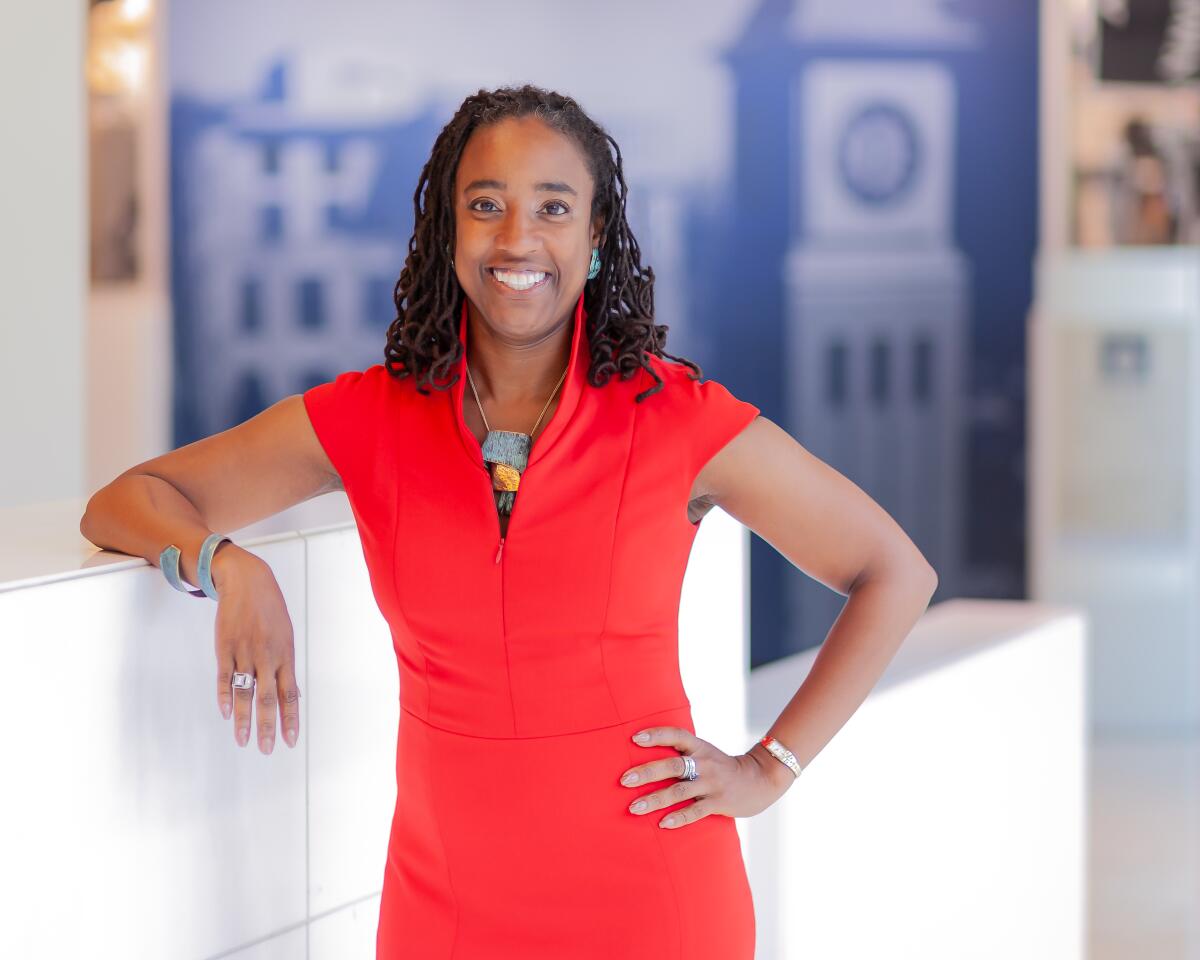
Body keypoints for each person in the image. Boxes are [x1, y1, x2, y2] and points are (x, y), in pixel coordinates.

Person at [80, 84, 938, 958]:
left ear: (596, 237)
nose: (518, 238)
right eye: (485, 205)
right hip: (442, 907)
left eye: (553, 209)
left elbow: (894, 572)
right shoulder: (370, 417)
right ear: (447, 233)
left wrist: (768, 769)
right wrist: (227, 563)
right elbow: (124, 501)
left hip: (654, 901)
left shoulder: (676, 418)